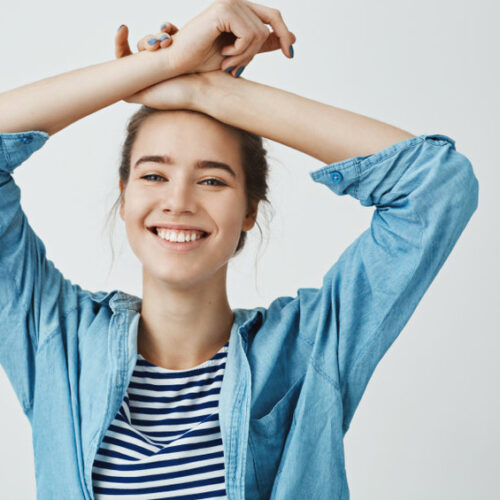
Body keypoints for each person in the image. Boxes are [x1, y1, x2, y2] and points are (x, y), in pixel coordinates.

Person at [0, 1, 479, 499]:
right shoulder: (55, 342)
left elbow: (437, 186)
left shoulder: (309, 348)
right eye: (154, 175)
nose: (179, 201)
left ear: (250, 209)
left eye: (212, 179)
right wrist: (157, 66)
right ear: (125, 197)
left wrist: (209, 89)